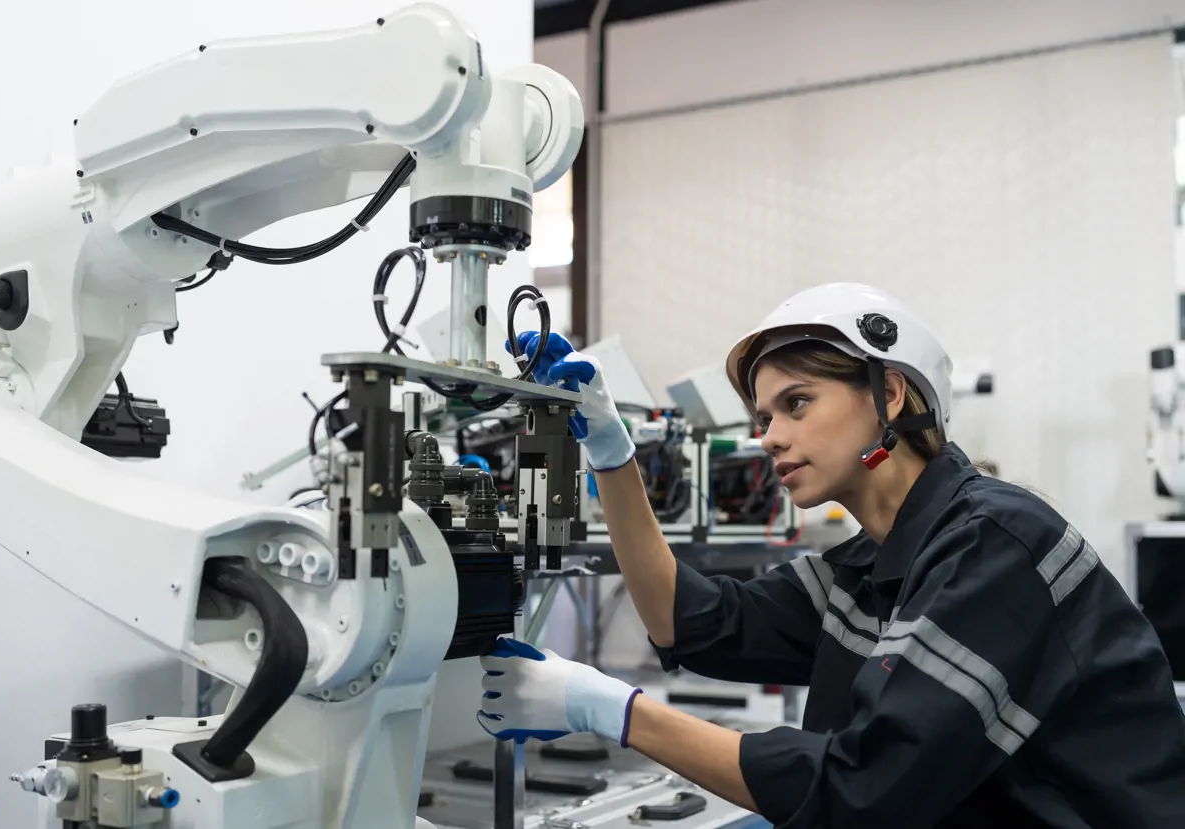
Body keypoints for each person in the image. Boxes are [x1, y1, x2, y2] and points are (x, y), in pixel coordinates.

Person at [477, 282, 1185, 828]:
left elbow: (866, 788)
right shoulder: (867, 567)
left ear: (890, 393)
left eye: (797, 403)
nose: (770, 437)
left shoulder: (994, 546)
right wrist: (611, 451)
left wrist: (612, 709)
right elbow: (686, 621)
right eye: (763, 417)